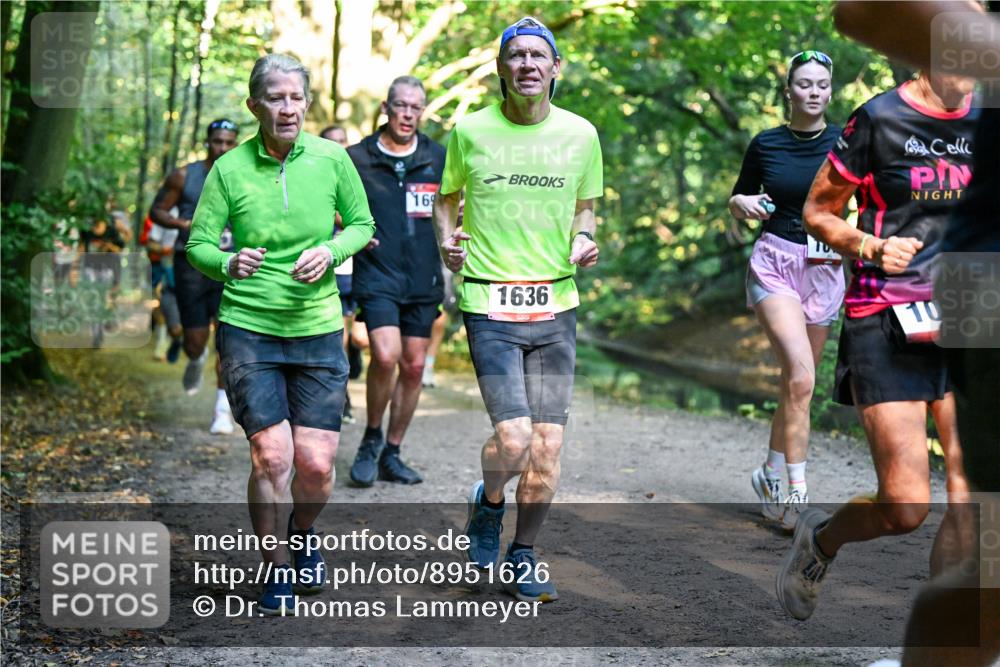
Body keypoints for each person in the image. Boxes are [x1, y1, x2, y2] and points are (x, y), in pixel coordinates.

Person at [776, 54, 980, 622]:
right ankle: (822, 540)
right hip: (886, 315)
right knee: (905, 505)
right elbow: (819, 211)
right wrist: (869, 246)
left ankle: (951, 642)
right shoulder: (879, 119)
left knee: (973, 491)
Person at [832, 2, 999, 665]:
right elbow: (865, 8)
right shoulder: (881, 116)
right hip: (974, 287)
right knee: (980, 562)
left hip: (966, 287)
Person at [186, 54, 374, 615]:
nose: (287, 107)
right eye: (275, 97)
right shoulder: (229, 169)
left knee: (316, 466)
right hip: (250, 328)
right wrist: (227, 262)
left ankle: (302, 532)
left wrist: (331, 249)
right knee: (272, 457)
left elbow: (363, 226)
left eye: (296, 97)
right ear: (255, 106)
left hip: (317, 329)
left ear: (307, 103)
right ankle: (273, 570)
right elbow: (197, 246)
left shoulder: (332, 159)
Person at [433, 16, 603, 603]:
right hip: (489, 299)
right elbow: (447, 199)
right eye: (516, 56)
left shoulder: (581, 134)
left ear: (556, 68)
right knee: (513, 438)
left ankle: (524, 553)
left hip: (555, 302)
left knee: (549, 444)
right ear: (502, 68)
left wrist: (584, 239)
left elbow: (585, 208)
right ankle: (489, 503)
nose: (527, 65)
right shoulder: (470, 131)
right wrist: (447, 245)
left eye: (539, 56)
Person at [729, 50, 843, 530]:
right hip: (775, 261)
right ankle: (798, 494)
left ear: (830, 91)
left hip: (825, 268)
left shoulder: (846, 143)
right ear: (789, 91)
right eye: (804, 84)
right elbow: (738, 197)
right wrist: (744, 203)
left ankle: (771, 473)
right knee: (799, 376)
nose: (813, 92)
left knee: (798, 384)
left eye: (821, 84)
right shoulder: (767, 143)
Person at [346, 76, 446, 487]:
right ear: (386, 108)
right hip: (378, 271)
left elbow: (458, 205)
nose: (407, 114)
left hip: (424, 276)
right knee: (385, 356)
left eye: (415, 107)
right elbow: (330, 207)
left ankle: (393, 450)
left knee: (415, 365)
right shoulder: (356, 158)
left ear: (422, 112)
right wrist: (349, 229)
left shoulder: (438, 157)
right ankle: (370, 438)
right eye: (400, 106)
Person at [150, 118, 239, 435]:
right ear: (207, 141)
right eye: (218, 141)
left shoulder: (245, 175)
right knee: (194, 342)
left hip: (231, 265)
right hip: (192, 267)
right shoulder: (184, 175)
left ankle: (221, 412)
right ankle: (195, 357)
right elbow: (156, 211)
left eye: (230, 142)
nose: (223, 147)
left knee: (228, 343)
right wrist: (182, 225)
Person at [320, 125, 360, 424]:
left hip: (354, 266)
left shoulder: (355, 174)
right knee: (337, 337)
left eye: (343, 141)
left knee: (354, 338)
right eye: (332, 142)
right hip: (323, 265)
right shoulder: (312, 171)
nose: (339, 146)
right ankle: (340, 398)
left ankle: (353, 359)